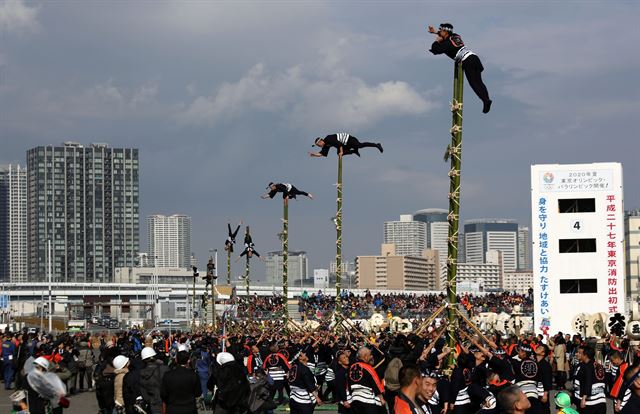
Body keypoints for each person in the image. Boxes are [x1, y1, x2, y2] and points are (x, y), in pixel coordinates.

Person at [427, 23, 492, 113]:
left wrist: (437, 41)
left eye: (441, 30)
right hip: (474, 58)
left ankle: (486, 101)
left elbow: (436, 50)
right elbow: (446, 36)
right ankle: (486, 100)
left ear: (445, 32)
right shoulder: (456, 36)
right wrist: (435, 32)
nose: (440, 31)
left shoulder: (447, 44)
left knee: (474, 83)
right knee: (479, 82)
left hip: (467, 61)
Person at [161, 350, 201, 414]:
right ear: (188, 360)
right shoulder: (194, 375)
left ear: (176, 360)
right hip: (189, 408)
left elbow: (163, 394)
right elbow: (198, 393)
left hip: (173, 409)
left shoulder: (167, 375)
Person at [348, 347, 386, 414]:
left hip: (354, 398)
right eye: (370, 355)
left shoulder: (352, 367)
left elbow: (348, 383)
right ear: (365, 356)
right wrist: (381, 399)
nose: (371, 356)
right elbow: (376, 383)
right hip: (367, 399)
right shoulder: (368, 367)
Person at [572, 344, 606, 414]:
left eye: (579, 353)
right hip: (601, 399)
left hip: (591, 401)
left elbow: (588, 382)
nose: (577, 354)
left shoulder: (587, 367)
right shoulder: (598, 365)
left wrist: (584, 398)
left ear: (585, 355)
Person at [139, 346, 169, 414]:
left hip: (154, 405)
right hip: (168, 403)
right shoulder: (164, 369)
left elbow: (145, 395)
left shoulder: (142, 373)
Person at [309, 133, 383, 158]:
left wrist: (341, 152)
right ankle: (354, 151)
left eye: (318, 144)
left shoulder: (328, 139)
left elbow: (339, 144)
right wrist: (314, 154)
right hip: (345, 144)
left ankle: (376, 145)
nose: (319, 146)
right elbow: (322, 154)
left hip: (349, 139)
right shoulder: (326, 145)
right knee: (339, 153)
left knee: (360, 145)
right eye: (317, 146)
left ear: (321, 141)